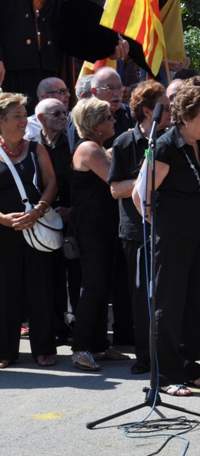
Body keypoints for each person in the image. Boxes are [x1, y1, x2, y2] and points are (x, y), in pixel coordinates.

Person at [132, 85, 200, 395]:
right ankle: (167, 376)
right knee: (169, 305)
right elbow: (139, 193)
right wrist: (159, 224)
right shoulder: (166, 145)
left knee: (196, 305)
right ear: (184, 117)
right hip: (173, 238)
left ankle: (190, 366)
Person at [108, 82, 171, 375]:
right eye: (166, 107)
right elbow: (116, 188)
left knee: (167, 293)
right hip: (136, 231)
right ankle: (145, 356)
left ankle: (169, 353)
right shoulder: (123, 142)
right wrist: (148, 179)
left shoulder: (172, 141)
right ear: (149, 111)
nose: (172, 113)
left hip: (169, 227)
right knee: (140, 294)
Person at [69, 98, 130, 371]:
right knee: (93, 287)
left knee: (103, 287)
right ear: (94, 124)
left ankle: (99, 345)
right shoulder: (89, 148)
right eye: (108, 117)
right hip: (90, 229)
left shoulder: (101, 147)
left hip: (105, 227)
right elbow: (114, 181)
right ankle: (80, 348)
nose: (114, 120)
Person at [0, 92, 57, 368]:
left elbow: (50, 184)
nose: (24, 121)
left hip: (35, 229)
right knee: (5, 291)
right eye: (17, 116)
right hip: (3, 233)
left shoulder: (36, 148)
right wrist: (3, 220)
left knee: (40, 289)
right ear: (1, 121)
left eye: (25, 115)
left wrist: (38, 210)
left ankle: (43, 349)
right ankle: (6, 352)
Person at [30, 97, 80, 345]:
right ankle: (54, 326)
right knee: (48, 275)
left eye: (65, 112)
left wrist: (72, 209)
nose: (63, 117)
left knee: (75, 272)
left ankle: (77, 325)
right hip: (43, 220)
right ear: (40, 118)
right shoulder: (32, 147)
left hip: (73, 216)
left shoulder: (74, 143)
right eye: (56, 113)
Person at [0, 0, 71, 115]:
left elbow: (60, 9)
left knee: (49, 126)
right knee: (12, 124)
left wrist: (110, 41)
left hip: (47, 61)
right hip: (10, 63)